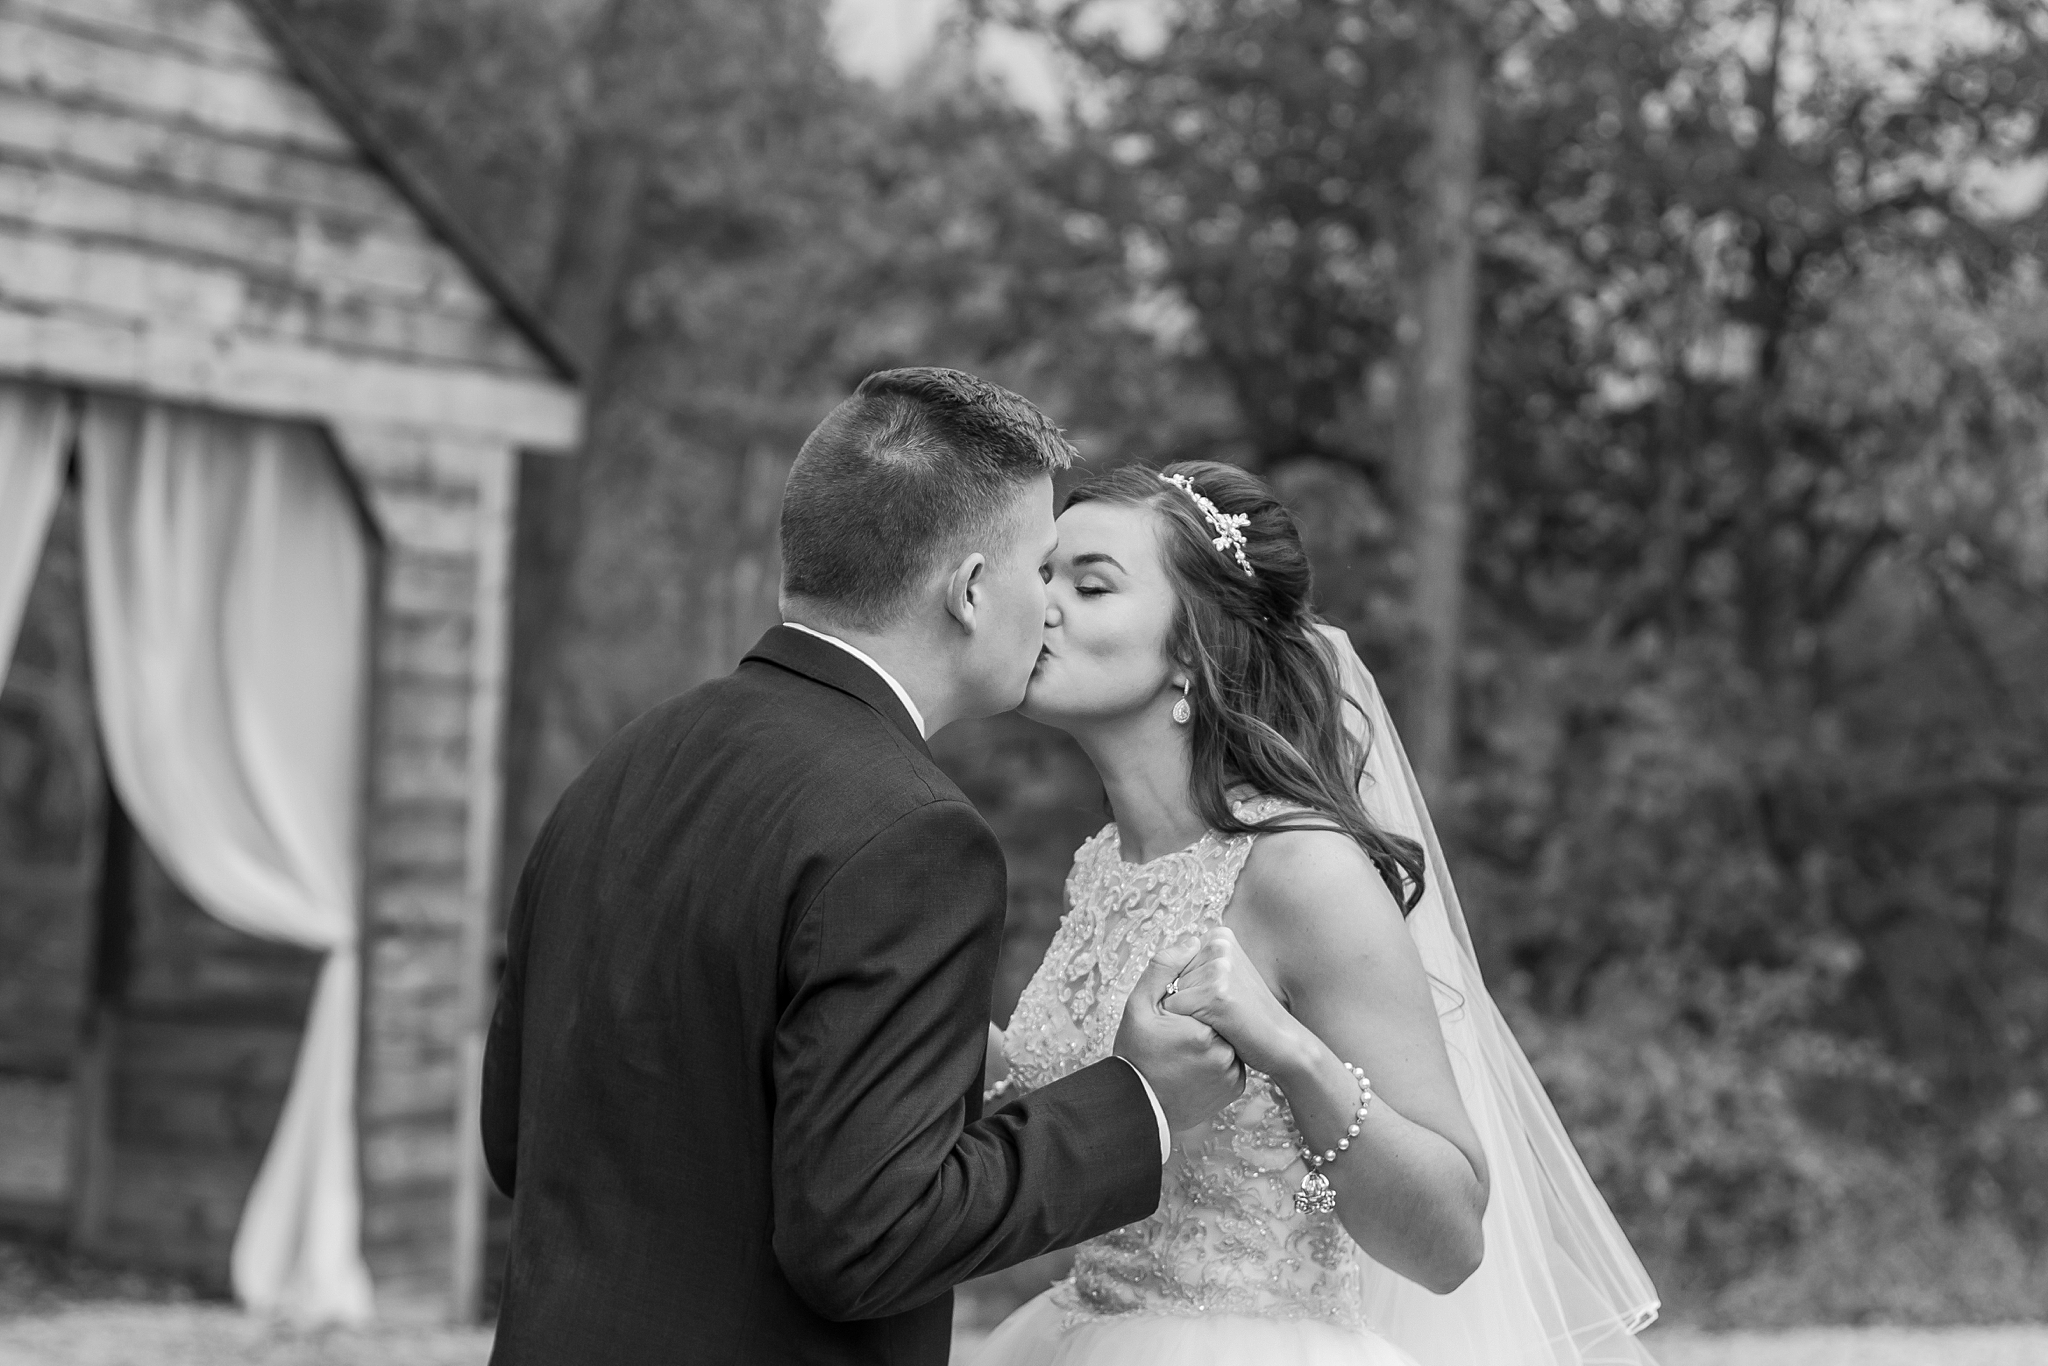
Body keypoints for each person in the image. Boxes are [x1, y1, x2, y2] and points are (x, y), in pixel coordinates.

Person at [480, 371, 1246, 1366]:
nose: (1047, 606)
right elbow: (867, 1237)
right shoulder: (911, 834)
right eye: (1039, 568)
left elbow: (519, 1135)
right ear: (971, 590)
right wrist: (1134, 1099)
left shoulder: (624, 765)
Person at [976, 461, 1662, 1366]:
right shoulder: (1102, 864)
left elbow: (1452, 1238)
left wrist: (1289, 1051)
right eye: (1044, 575)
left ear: (1192, 648)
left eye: (1090, 584)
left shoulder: (1302, 870)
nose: (1044, 605)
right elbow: (1078, 1125)